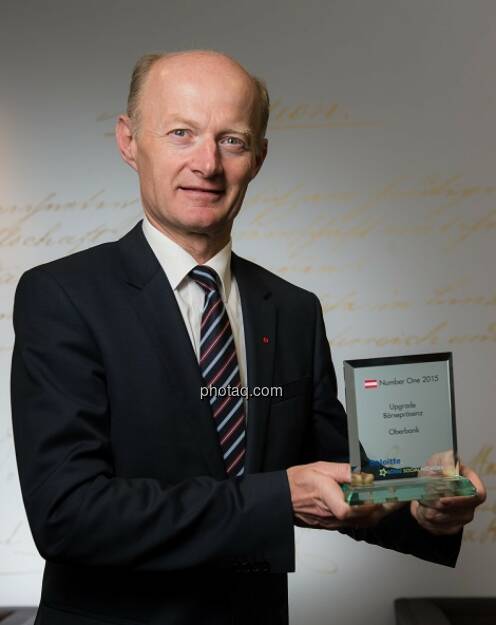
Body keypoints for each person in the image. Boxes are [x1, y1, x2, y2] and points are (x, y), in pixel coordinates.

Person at [11, 50, 486, 625]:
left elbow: (340, 473)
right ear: (129, 141)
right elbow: (67, 514)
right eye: (181, 133)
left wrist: (422, 504)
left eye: (232, 140)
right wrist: (278, 497)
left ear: (258, 158)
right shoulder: (61, 296)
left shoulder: (293, 309)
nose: (207, 163)